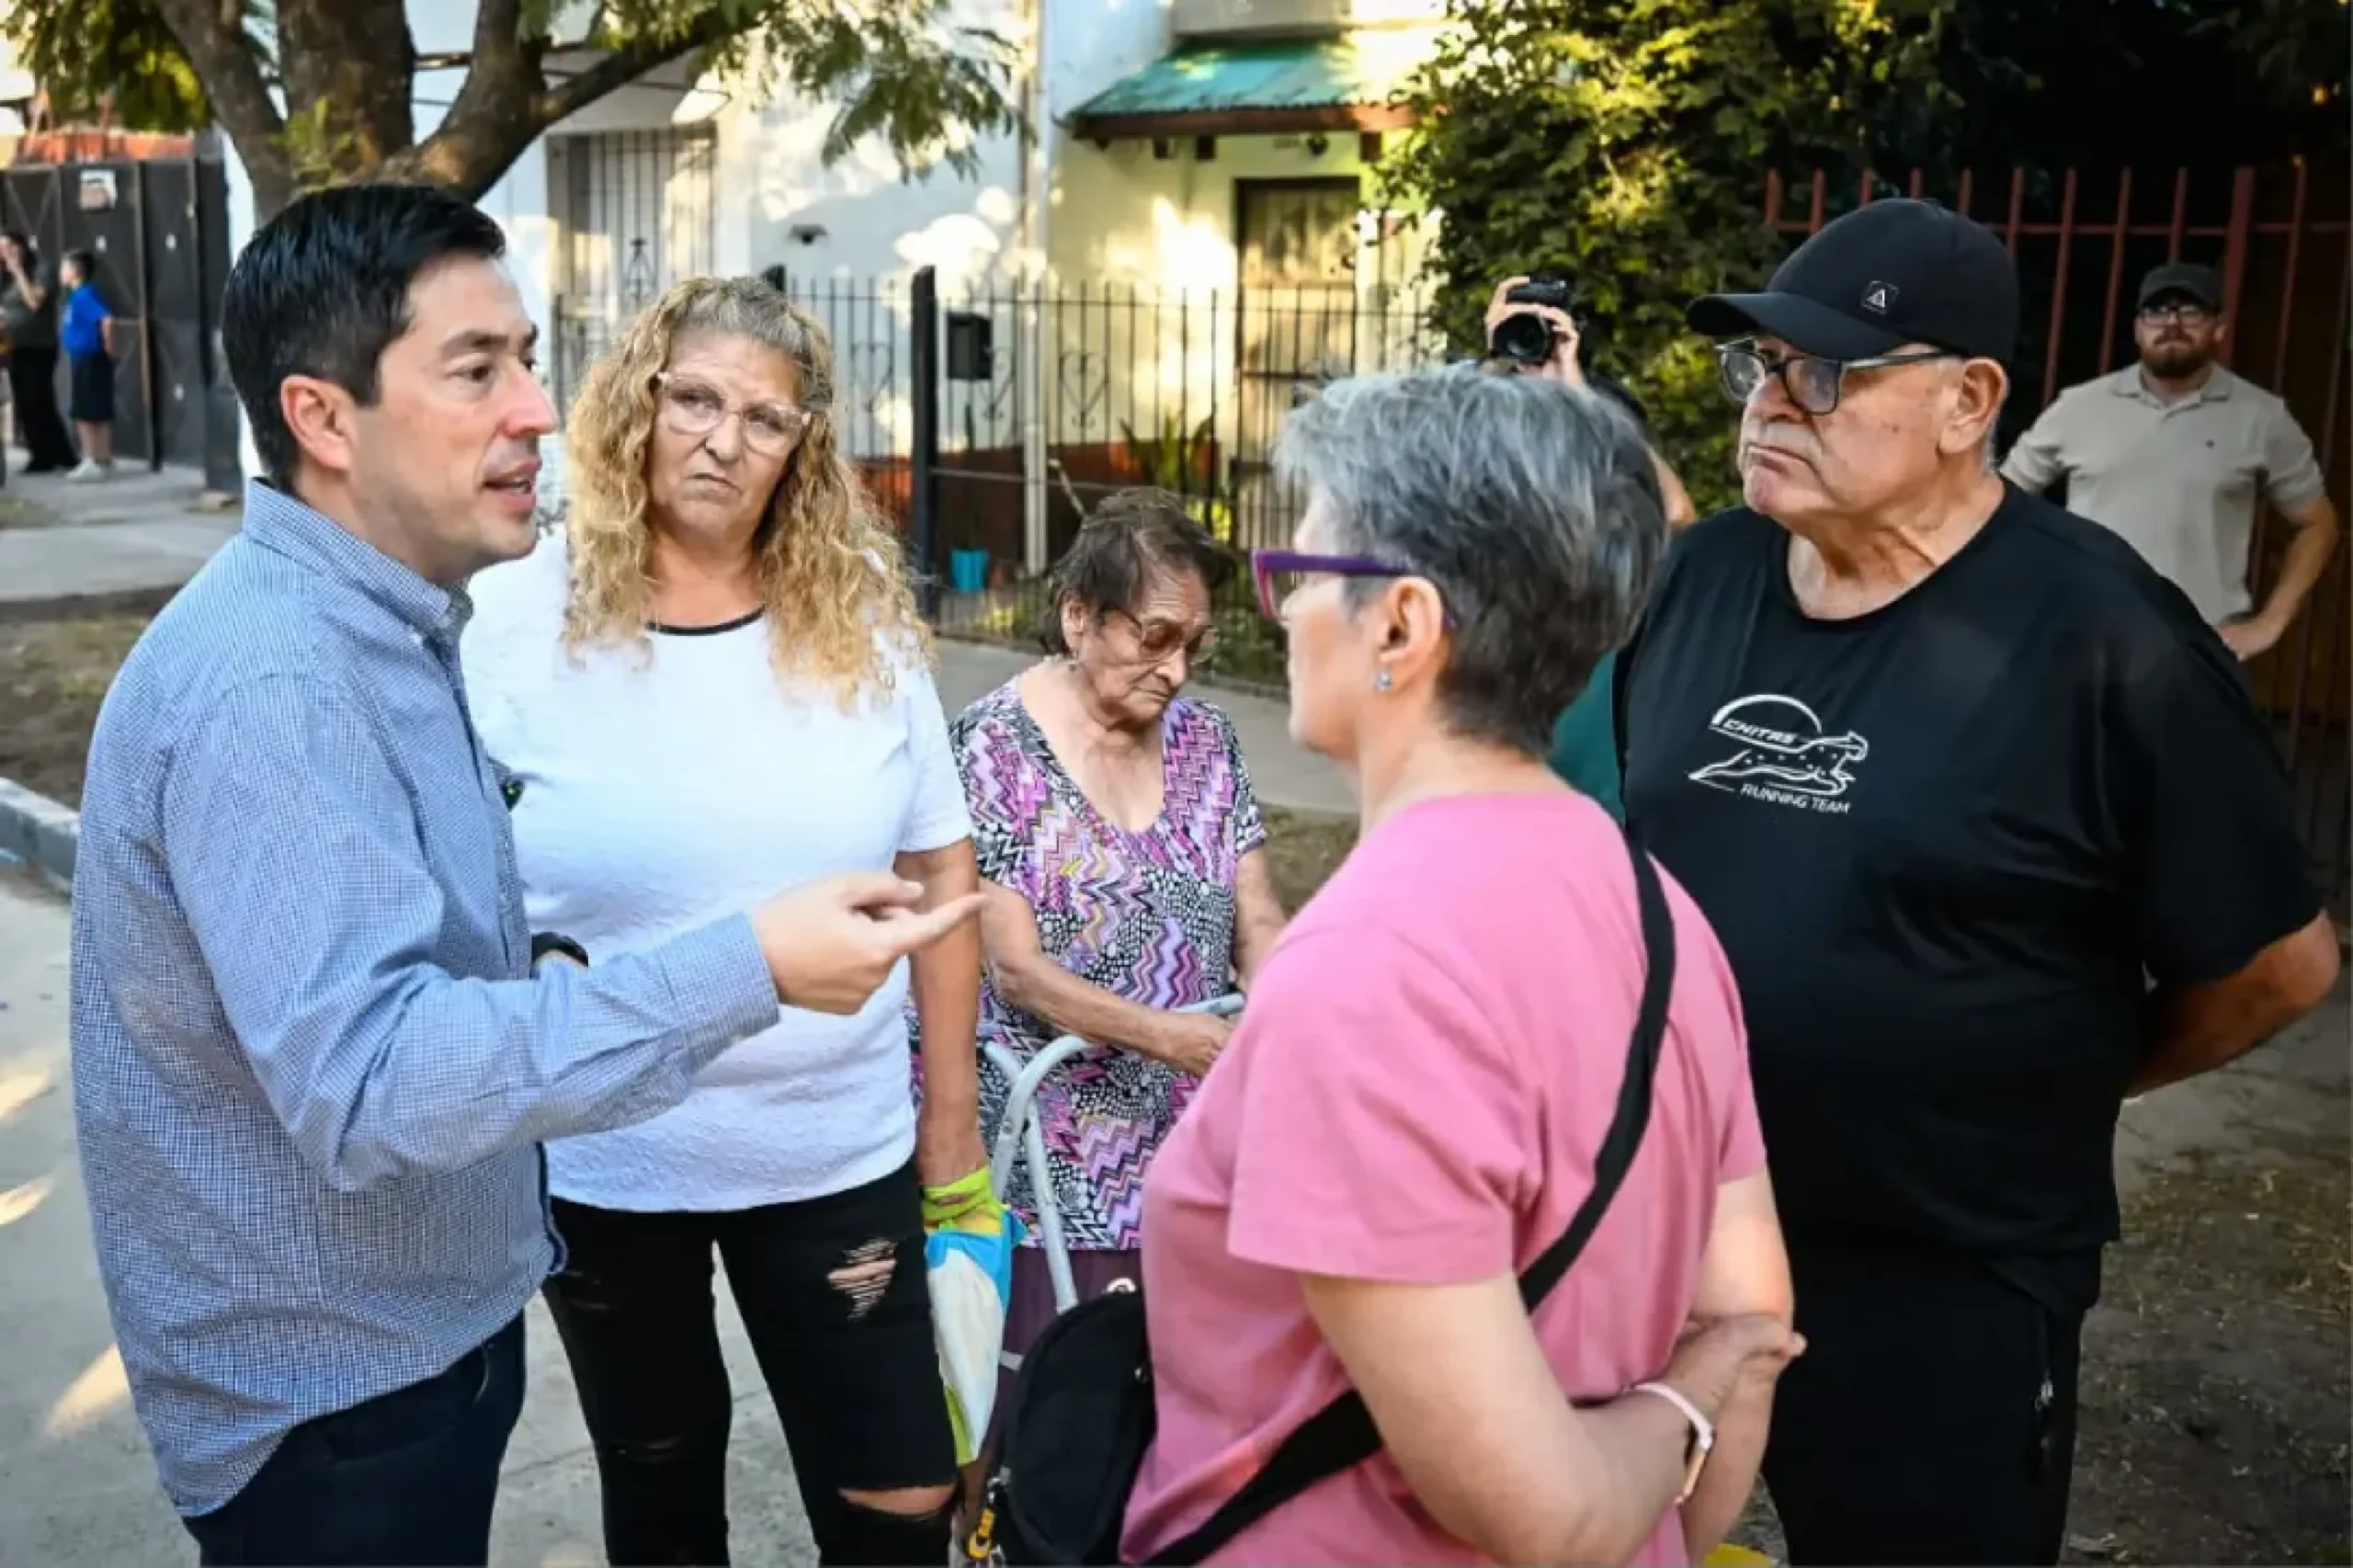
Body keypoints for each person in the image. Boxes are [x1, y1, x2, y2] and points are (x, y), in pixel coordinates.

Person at [68, 186, 979, 1568]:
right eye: (480, 368)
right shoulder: (289, 680)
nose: (541, 410)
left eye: (531, 360)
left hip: (433, 1341)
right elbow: (373, 1075)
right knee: (661, 1488)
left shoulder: (398, 632)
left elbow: (425, 947)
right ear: (324, 418)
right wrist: (747, 961)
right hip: (341, 1399)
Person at [1620, 198, 2343, 1565]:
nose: (1770, 403)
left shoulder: (2109, 639)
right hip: (1675, 1227)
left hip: (1940, 1273)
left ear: (1969, 400)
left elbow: (2282, 963)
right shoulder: (1703, 575)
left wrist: (2076, 1071)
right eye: (1757, 366)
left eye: (1823, 372)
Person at [1122, 368, 1800, 1565]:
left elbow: (1540, 1512)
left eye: (1298, 577)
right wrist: (1677, 1480)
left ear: (1400, 624)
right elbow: (1749, 1311)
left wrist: (1678, 1399)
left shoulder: (1364, 973)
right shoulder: (1664, 913)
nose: (1279, 614)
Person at [460, 274, 985, 1568]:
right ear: (637, 404)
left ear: (800, 447)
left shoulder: (859, 620)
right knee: (661, 1481)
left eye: (764, 418)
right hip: (608, 1158)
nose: (719, 438)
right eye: (691, 397)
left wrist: (953, 1131)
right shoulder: (516, 614)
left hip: (830, 1149)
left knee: (903, 1501)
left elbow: (940, 867)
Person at [944, 488, 1290, 1421]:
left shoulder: (1207, 743)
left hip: (1194, 1145)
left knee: (1191, 1413)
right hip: (1049, 1155)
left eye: (1195, 643)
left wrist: (1287, 1009)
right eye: (1154, 637)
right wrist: (1174, 1038)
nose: (1176, 669)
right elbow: (1013, 965)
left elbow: (1255, 918)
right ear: (1078, 616)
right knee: (1059, 1421)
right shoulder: (992, 750)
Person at [2001, 259, 2341, 662]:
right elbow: (2000, 501)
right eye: (2157, 311)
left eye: (2191, 311)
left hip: (2197, 649)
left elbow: (2318, 524)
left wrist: (2270, 624)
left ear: (2219, 327)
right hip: (2081, 641)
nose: (2172, 324)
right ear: (2138, 329)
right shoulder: (2078, 407)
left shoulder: (2261, 418)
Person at [1478, 276, 1698, 820]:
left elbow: (1673, 514)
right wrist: (1493, 362)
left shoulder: (1627, 581)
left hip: (1599, 830)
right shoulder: (1491, 560)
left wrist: (1580, 397)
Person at [1, 228, 75, 473]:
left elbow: (34, 302)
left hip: (39, 345)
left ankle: (57, 454)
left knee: (39, 398)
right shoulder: (4, 276)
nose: (6, 254)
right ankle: (43, 453)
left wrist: (18, 270)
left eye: (9, 248)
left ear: (21, 247)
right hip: (14, 345)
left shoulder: (40, 269)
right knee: (24, 402)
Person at [60, 247, 117, 483]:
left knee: (85, 410)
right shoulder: (75, 296)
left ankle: (92, 458)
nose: (61, 272)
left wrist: (109, 347)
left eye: (64, 267)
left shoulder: (84, 295)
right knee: (96, 408)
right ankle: (102, 459)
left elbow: (107, 320)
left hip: (88, 356)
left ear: (75, 270)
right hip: (83, 356)